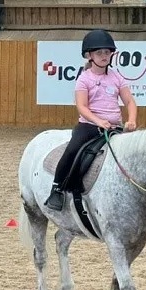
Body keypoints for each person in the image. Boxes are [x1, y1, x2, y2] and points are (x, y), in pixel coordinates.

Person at [45, 29, 137, 211]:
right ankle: (57, 188)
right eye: (99, 52)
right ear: (89, 56)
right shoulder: (84, 79)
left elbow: (129, 101)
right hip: (88, 126)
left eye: (107, 52)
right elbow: (82, 107)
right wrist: (98, 121)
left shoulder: (117, 77)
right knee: (71, 151)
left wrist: (132, 119)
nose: (104, 56)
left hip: (114, 127)